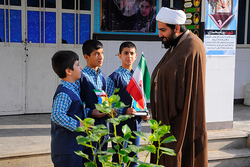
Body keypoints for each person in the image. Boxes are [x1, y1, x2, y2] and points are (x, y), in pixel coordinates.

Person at [150, 7, 208, 167]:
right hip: (169, 115)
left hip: (181, 117)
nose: (160, 35)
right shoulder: (178, 44)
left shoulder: (191, 45)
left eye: (163, 30)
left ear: (176, 28)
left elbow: (183, 87)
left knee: (178, 155)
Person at [107, 41, 150, 167]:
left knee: (133, 158)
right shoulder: (114, 77)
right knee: (119, 157)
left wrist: (145, 113)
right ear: (120, 55)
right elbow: (107, 106)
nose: (129, 56)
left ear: (136, 56)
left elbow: (141, 99)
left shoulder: (138, 77)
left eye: (132, 53)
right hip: (119, 126)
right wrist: (124, 111)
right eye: (126, 53)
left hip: (135, 124)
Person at [79, 39, 116, 166]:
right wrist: (90, 112)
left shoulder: (103, 77)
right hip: (88, 125)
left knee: (102, 157)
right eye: (96, 54)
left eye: (102, 53)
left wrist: (109, 110)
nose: (101, 57)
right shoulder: (81, 77)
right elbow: (77, 103)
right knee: (89, 159)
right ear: (86, 57)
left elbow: (105, 99)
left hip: (103, 125)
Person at [50, 50, 85, 167]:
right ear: (69, 71)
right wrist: (78, 125)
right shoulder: (64, 92)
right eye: (78, 65)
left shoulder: (73, 88)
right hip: (66, 149)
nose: (81, 67)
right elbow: (57, 115)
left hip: (72, 147)